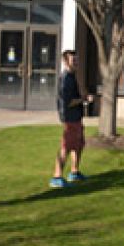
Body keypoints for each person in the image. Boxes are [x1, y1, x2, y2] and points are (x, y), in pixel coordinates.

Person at [51, 50, 93, 188]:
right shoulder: (65, 79)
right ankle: (56, 177)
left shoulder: (72, 76)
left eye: (77, 60)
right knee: (66, 147)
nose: (76, 63)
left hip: (76, 117)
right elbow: (68, 102)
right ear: (65, 62)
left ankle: (74, 172)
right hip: (70, 118)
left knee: (79, 144)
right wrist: (84, 99)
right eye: (73, 60)